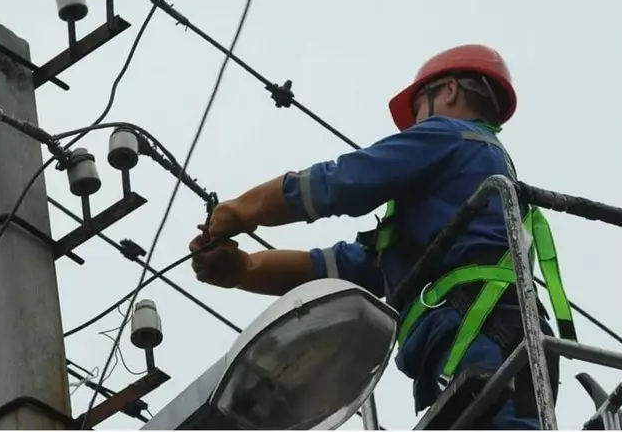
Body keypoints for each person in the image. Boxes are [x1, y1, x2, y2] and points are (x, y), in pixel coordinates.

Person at [188, 44, 575, 429]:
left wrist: (241, 210)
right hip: (497, 343)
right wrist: (244, 268)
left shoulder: (448, 135)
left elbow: (340, 182)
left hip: (481, 336)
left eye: (418, 109)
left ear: (450, 91)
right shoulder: (458, 196)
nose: (413, 126)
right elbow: (340, 268)